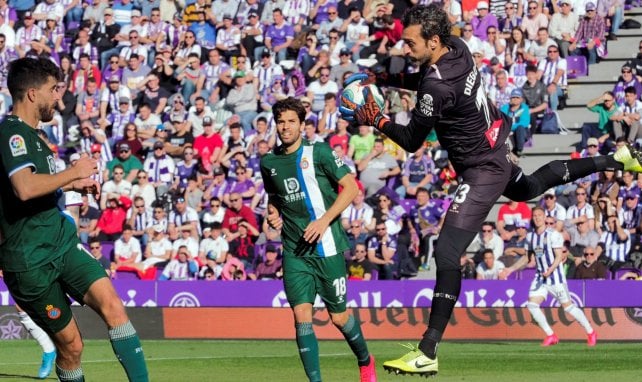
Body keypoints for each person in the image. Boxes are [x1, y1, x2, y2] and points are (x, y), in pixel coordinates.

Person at [339, 4, 640, 376]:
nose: (404, 48)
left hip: (482, 168)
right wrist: (382, 78)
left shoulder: (435, 85)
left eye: (409, 42)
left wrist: (376, 118)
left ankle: (427, 351)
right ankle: (617, 159)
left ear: (433, 41)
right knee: (529, 187)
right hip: (496, 142)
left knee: (447, 253)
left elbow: (412, 140)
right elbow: (431, 85)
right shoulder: (459, 47)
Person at [0, 57, 148, 381]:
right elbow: (24, 188)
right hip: (30, 263)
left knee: (114, 308)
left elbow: (41, 183)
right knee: (71, 348)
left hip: (62, 244)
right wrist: (73, 171)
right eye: (54, 90)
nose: (60, 99)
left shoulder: (37, 138)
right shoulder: (11, 135)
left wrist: (72, 182)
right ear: (32, 94)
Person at [261, 97, 376, 382]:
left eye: (291, 121)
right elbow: (274, 199)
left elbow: (350, 188)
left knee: (339, 318)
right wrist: (272, 214)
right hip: (294, 251)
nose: (285, 127)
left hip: (328, 248)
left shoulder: (320, 152)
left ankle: (365, 359)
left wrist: (324, 220)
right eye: (281, 121)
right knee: (302, 319)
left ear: (302, 125)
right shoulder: (269, 161)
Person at [501, 207, 597, 346]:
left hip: (555, 277)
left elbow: (559, 257)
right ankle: (551, 335)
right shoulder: (530, 236)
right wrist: (510, 269)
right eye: (535, 215)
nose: (537, 218)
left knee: (568, 307)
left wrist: (550, 270)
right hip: (540, 277)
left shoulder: (553, 235)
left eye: (540, 215)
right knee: (532, 305)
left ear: (545, 217)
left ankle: (590, 332)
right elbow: (527, 258)